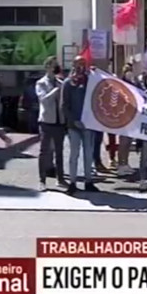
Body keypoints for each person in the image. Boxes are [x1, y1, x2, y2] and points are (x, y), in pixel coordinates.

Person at [61, 55, 99, 194]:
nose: (80, 66)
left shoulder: (91, 82)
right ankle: (72, 183)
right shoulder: (68, 83)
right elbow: (64, 106)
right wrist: (73, 121)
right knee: (74, 154)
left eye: (83, 63)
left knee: (88, 155)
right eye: (78, 63)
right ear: (73, 65)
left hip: (88, 125)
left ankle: (88, 181)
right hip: (74, 126)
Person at [35, 56, 67, 191]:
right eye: (53, 65)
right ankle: (42, 181)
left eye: (56, 65)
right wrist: (55, 91)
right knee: (44, 151)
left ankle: (60, 179)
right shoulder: (41, 83)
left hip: (59, 122)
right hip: (47, 121)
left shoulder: (61, 82)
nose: (55, 68)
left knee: (59, 152)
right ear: (47, 67)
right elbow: (44, 100)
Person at [116, 64, 136, 177]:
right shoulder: (121, 85)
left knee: (128, 142)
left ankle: (126, 163)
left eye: (130, 70)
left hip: (131, 117)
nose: (129, 73)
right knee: (123, 142)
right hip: (123, 117)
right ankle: (120, 164)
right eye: (127, 70)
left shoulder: (133, 84)